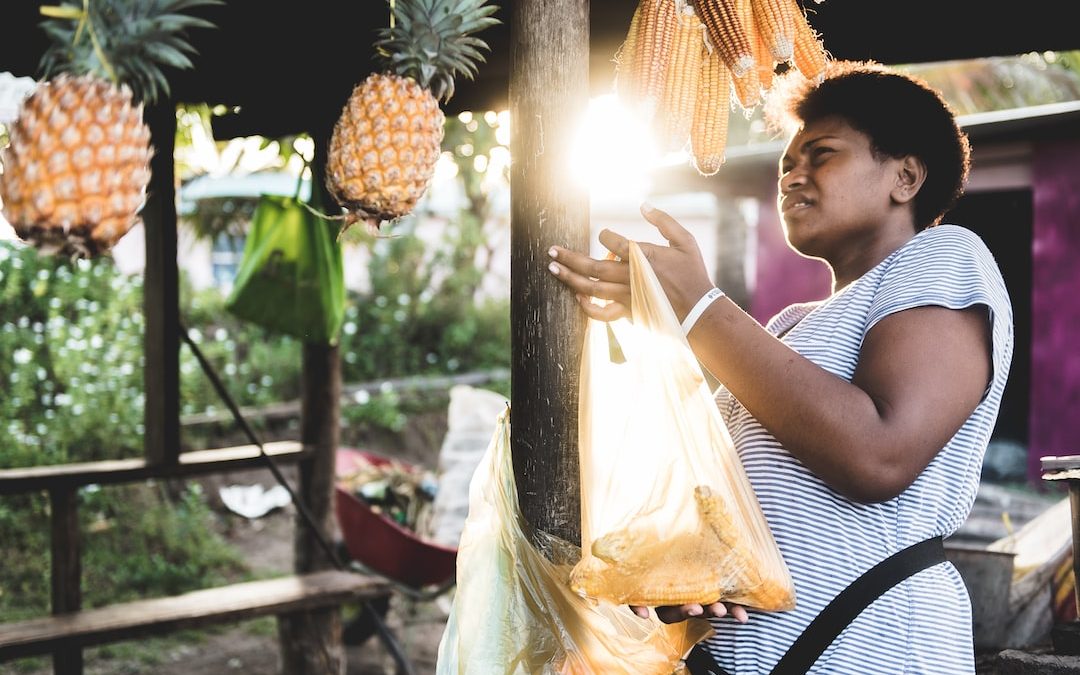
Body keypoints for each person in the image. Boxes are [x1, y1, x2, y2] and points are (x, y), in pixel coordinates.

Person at [546, 60, 1014, 674]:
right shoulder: (789, 328)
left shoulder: (947, 256)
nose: (793, 175)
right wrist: (682, 578)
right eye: (787, 163)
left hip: (878, 651)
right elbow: (725, 508)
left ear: (904, 177)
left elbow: (879, 454)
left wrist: (700, 309)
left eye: (821, 155)